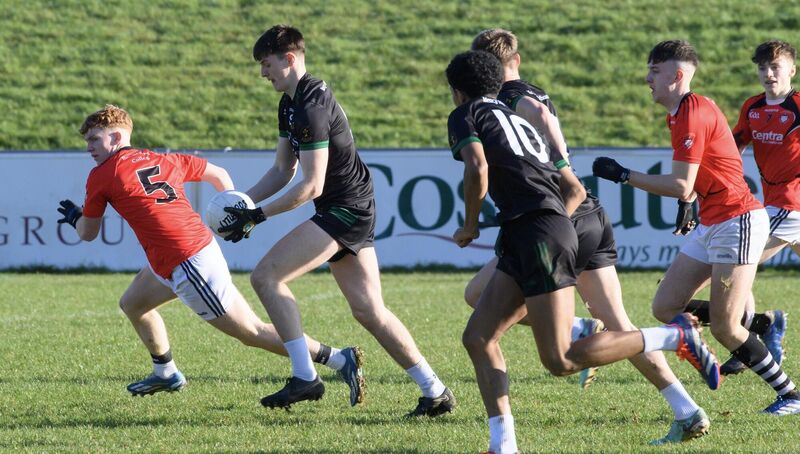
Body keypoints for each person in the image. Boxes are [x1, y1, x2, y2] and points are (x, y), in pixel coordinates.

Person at [446, 50, 720, 454]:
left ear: (456, 91)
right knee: (479, 336)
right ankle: (502, 446)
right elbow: (571, 183)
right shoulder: (516, 117)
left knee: (560, 360)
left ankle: (672, 335)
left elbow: (477, 168)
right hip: (555, 223)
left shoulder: (467, 114)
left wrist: (470, 224)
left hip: (540, 231)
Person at [56, 104, 364, 407]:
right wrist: (232, 204)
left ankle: (338, 359)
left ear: (116, 137)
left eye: (94, 139)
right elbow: (218, 173)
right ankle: (166, 372)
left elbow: (88, 233)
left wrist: (74, 217)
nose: (89, 147)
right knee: (133, 304)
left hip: (187, 263)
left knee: (252, 332)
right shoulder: (161, 159)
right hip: (180, 254)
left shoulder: (103, 174)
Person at [218, 25, 455, 416]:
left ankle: (305, 376)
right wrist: (242, 202)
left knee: (266, 277)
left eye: (266, 63)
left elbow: (310, 185)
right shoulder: (290, 102)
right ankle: (435, 391)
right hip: (349, 207)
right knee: (368, 310)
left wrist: (256, 216)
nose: (263, 73)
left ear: (289, 59)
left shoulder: (311, 105)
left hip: (344, 210)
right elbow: (282, 170)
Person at [592, 40, 800, 415]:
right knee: (665, 304)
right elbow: (705, 170)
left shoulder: (692, 111)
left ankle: (790, 393)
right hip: (716, 220)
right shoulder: (683, 112)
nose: (647, 79)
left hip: (740, 219)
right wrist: (690, 200)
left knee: (724, 326)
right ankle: (761, 323)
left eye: (655, 72)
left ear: (678, 76)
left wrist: (624, 175)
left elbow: (680, 183)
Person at [684, 40, 798, 375]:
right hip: (773, 207)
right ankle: (759, 330)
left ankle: (756, 330)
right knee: (736, 267)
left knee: (731, 263)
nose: (768, 73)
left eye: (775, 66)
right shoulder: (752, 108)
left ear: (792, 69)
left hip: (791, 208)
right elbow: (731, 149)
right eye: (762, 67)